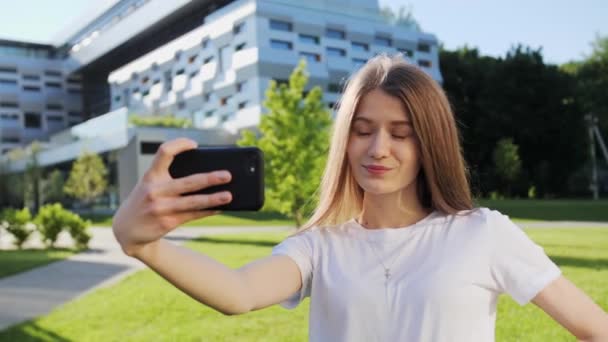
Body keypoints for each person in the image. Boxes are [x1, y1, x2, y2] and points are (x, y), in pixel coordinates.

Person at [112, 54, 608, 341]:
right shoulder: (319, 246)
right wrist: (143, 244)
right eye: (362, 130)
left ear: (429, 142)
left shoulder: (483, 233)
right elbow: (237, 293)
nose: (378, 149)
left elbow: (595, 328)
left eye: (402, 133)